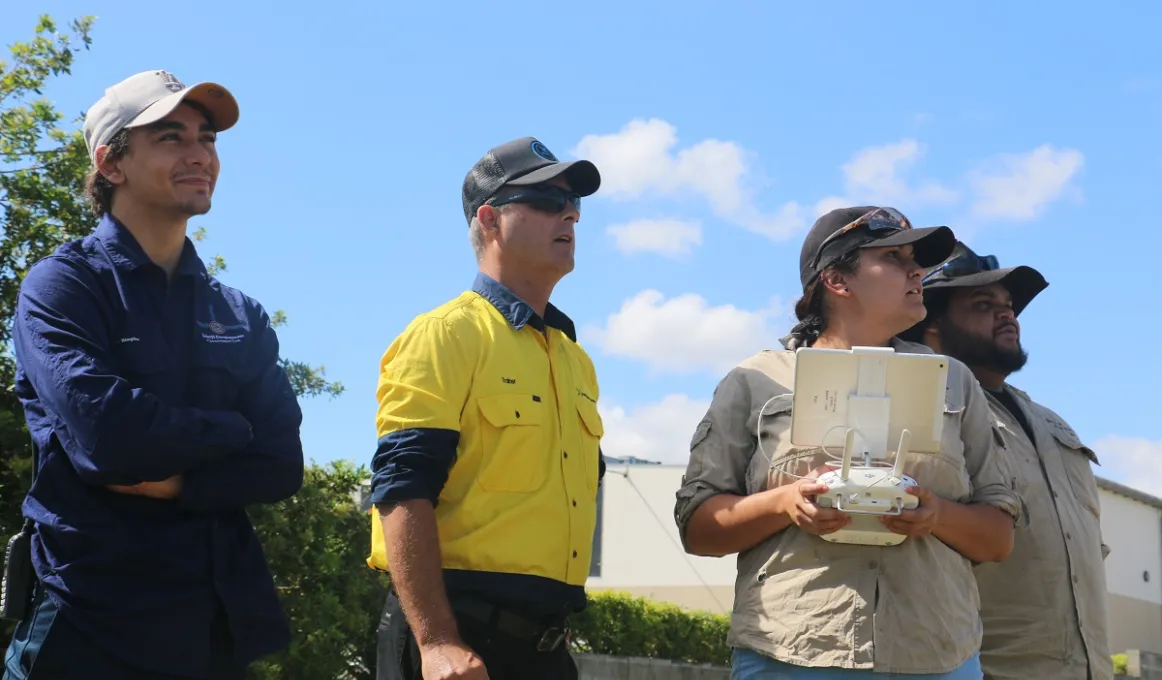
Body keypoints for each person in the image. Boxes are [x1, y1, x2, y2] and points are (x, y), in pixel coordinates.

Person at [2, 70, 305, 679]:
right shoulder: (61, 289)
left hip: (214, 633)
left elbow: (281, 465)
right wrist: (233, 431)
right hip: (87, 628)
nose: (199, 154)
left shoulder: (238, 312)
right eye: (170, 138)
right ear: (110, 163)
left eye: (208, 138)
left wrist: (179, 483)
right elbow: (114, 440)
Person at [674, 206, 1022, 680]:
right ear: (837, 279)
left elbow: (999, 537)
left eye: (915, 259)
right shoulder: (754, 381)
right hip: (790, 654)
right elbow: (698, 529)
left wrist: (937, 513)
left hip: (939, 657)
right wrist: (787, 503)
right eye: (896, 257)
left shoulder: (956, 383)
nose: (917, 270)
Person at [367, 136, 605, 680]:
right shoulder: (445, 334)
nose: (569, 212)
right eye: (547, 200)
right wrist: (436, 641)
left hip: (546, 650)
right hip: (457, 641)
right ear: (490, 219)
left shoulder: (574, 359)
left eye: (574, 203)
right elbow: (402, 486)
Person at [898, 241, 1113, 680]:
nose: (1007, 314)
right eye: (983, 304)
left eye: (1009, 305)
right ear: (933, 324)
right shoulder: (924, 415)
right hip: (980, 668)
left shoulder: (1051, 422)